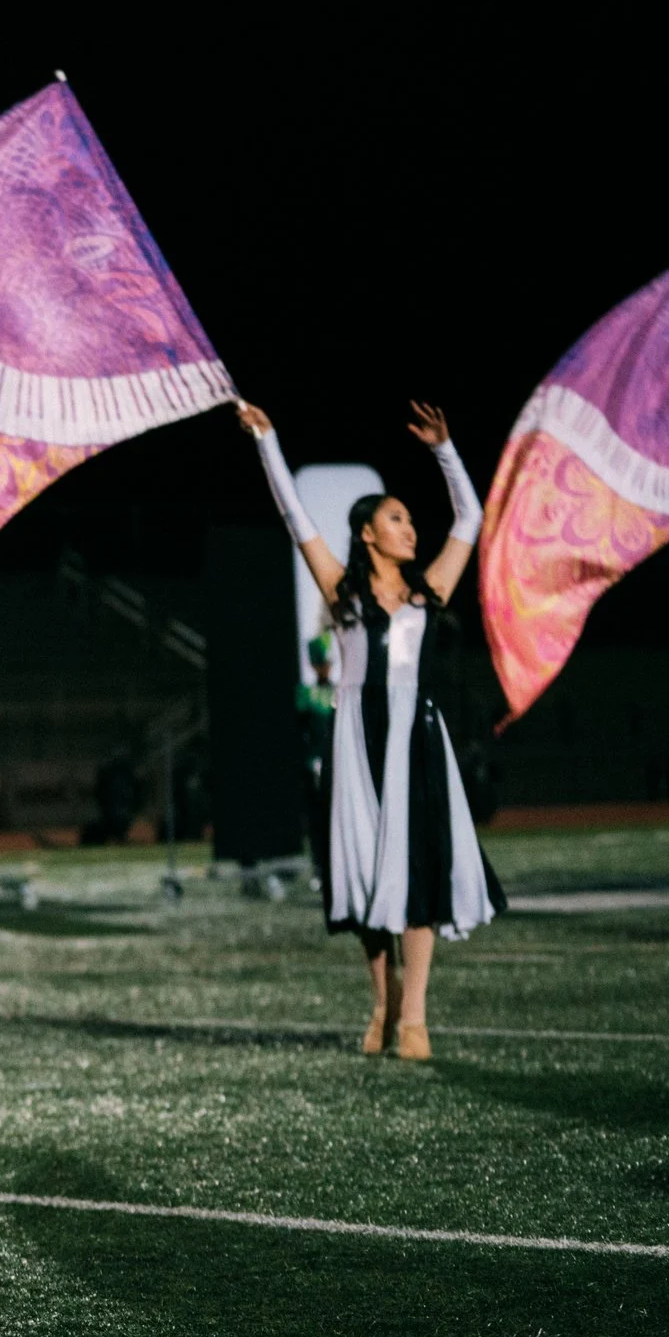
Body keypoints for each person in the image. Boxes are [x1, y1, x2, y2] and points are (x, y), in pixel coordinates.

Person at [237, 399, 504, 1060]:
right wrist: (268, 442)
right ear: (366, 533)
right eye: (396, 520)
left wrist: (444, 451)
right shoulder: (341, 592)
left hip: (417, 739)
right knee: (364, 873)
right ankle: (383, 1004)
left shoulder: (430, 589)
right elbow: (294, 516)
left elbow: (470, 517)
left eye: (410, 519)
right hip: (357, 741)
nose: (410, 529)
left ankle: (414, 1018)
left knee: (417, 870)